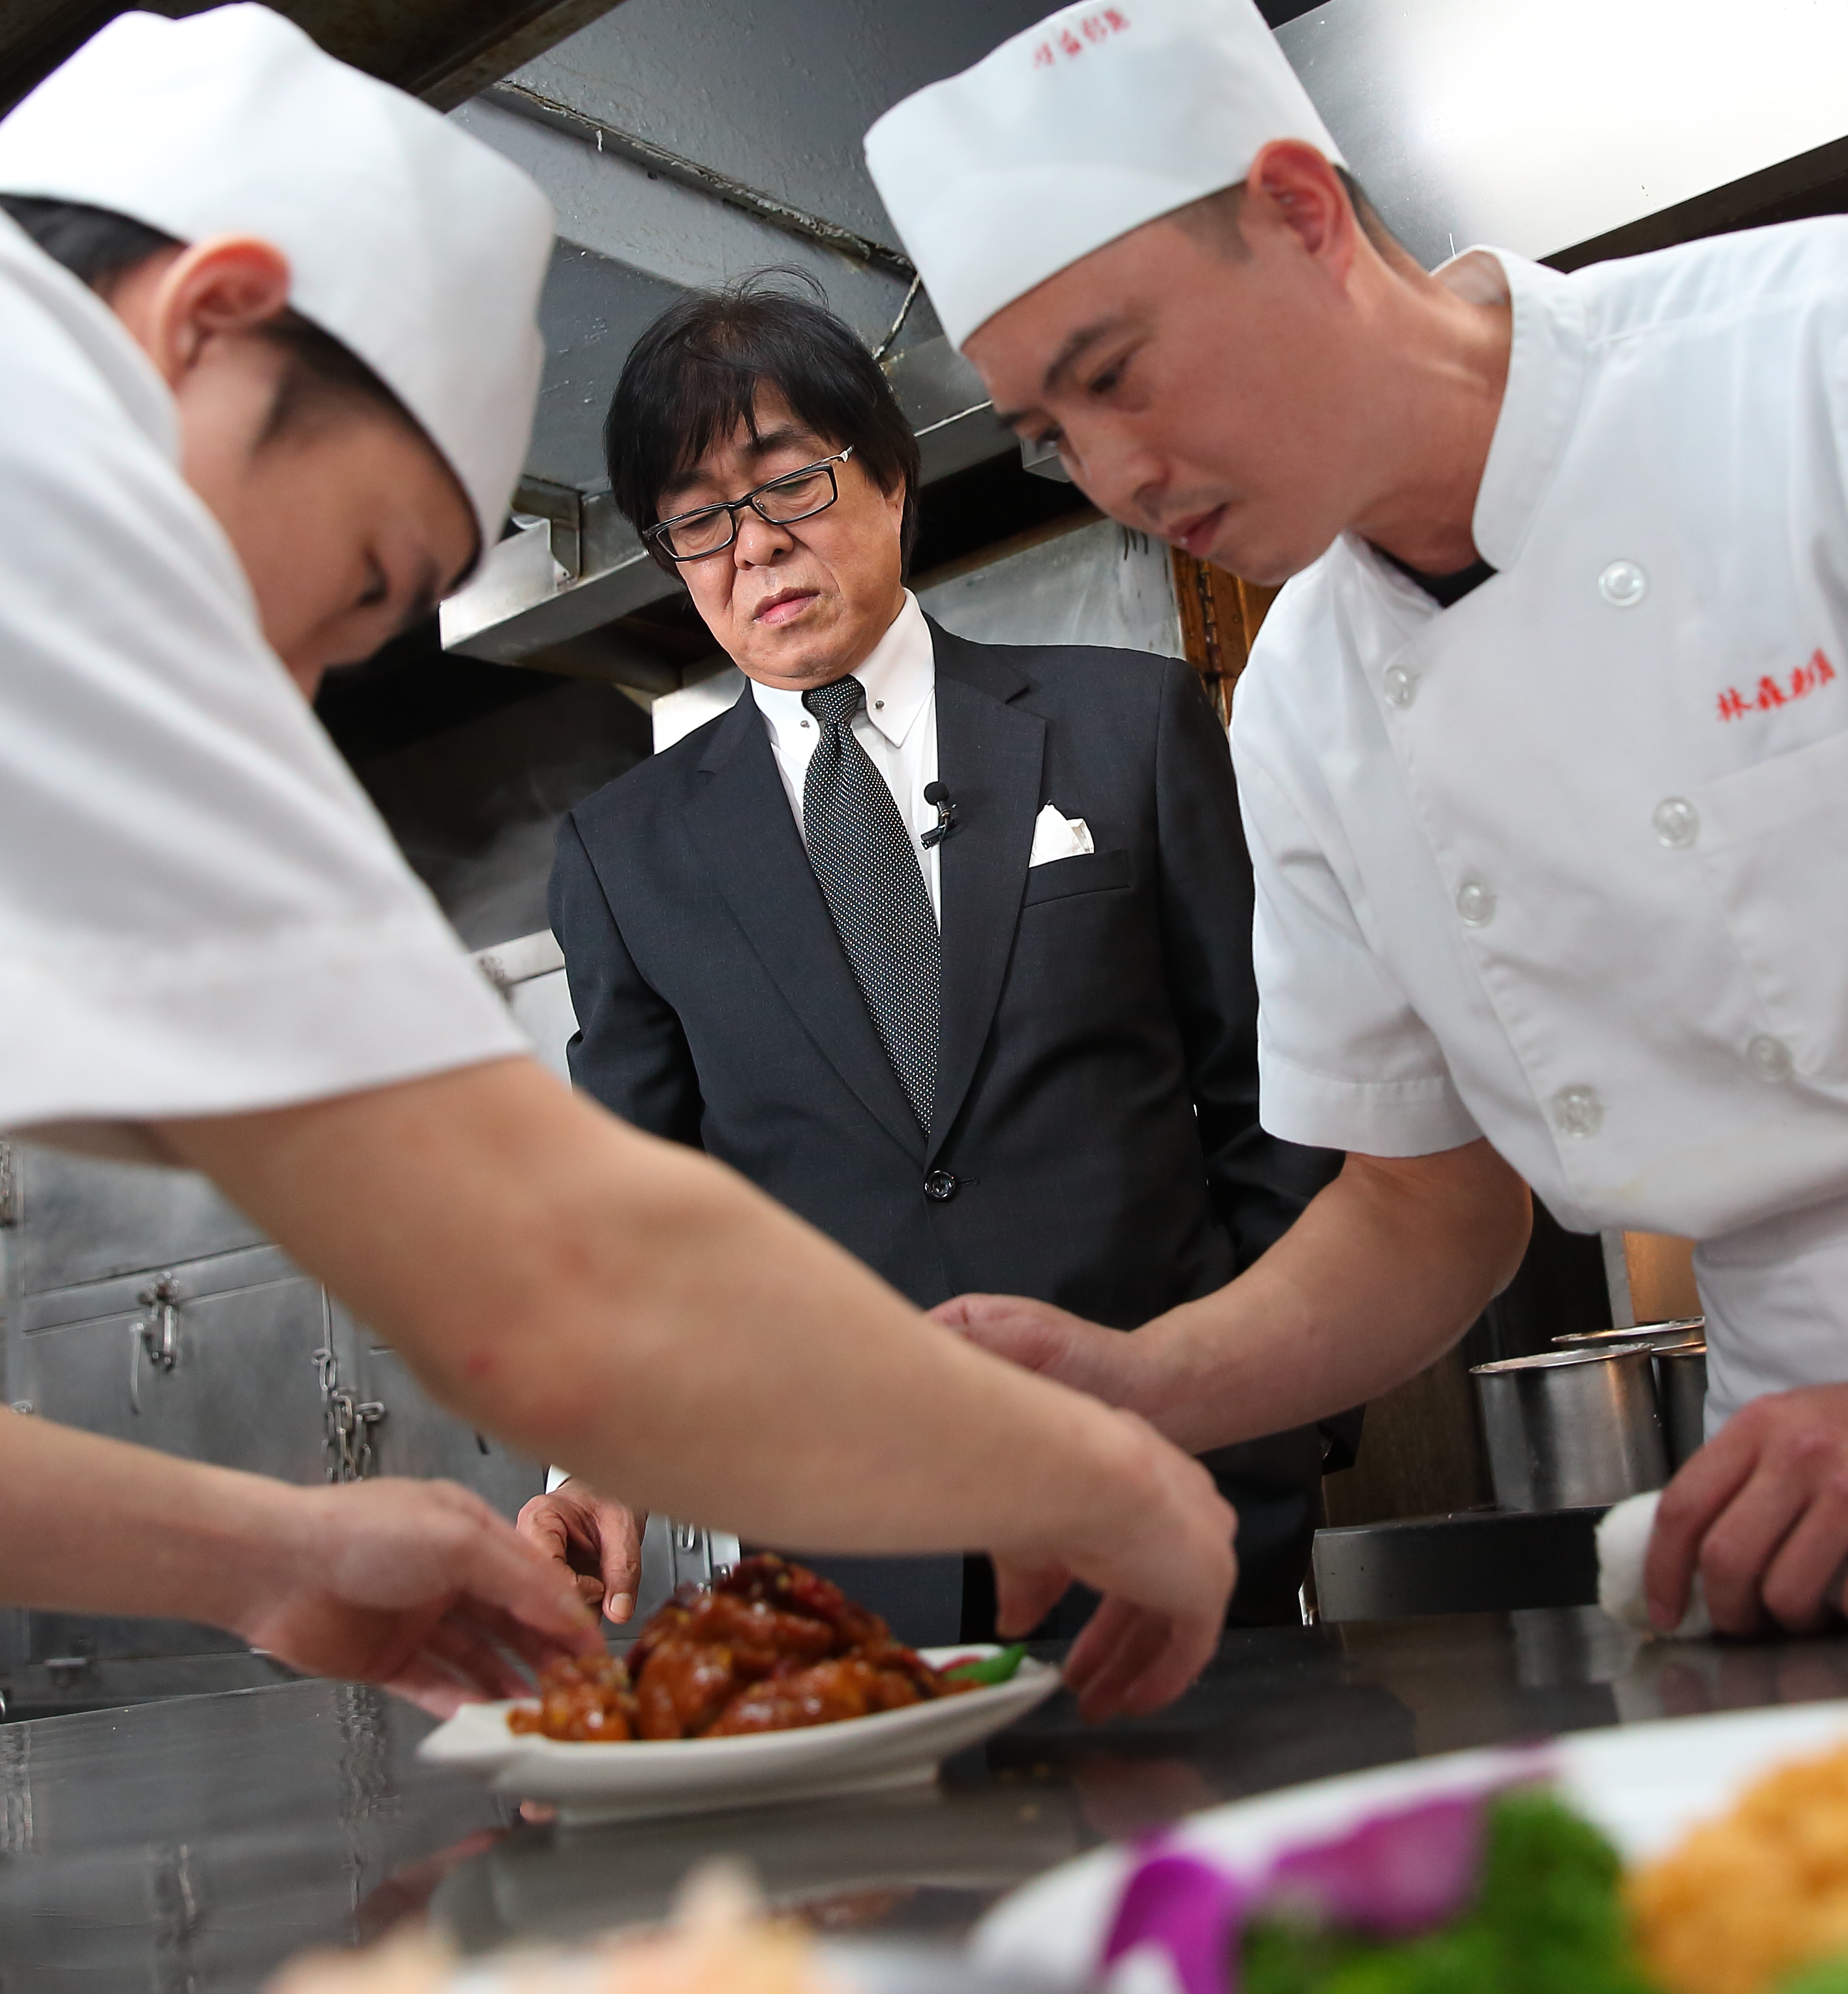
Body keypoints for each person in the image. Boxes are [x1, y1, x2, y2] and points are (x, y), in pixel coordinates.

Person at [0, 3, 1237, 1726]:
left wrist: (258, 1552)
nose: (278, 710)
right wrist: (1109, 1478)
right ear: (206, 322)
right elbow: (539, 1276)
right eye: (352, 590)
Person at [852, 0, 1848, 1638]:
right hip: (1813, 1503)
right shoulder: (1307, 695)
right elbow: (1422, 1204)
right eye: (1050, 436)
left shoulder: (1843, 350)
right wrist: (1135, 1383)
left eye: (1119, 375)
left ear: (1299, 212)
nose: (1113, 477)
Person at [520, 288, 1345, 1642]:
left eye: (788, 481)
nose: (755, 548)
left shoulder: (1120, 726)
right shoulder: (625, 854)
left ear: (889, 475)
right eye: (699, 519)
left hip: (1174, 1493)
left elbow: (1278, 1093)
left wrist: (1265, 1410)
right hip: (850, 1561)